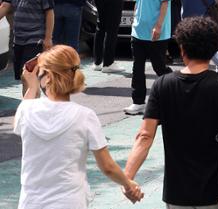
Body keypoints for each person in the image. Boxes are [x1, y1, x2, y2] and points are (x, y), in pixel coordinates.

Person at [123, 17, 218, 208]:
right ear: (213, 50)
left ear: (182, 49)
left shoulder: (163, 85)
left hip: (177, 196)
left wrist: (127, 178)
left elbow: (144, 136)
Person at [14, 45, 143, 208]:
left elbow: (20, 120)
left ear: (47, 77)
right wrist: (128, 184)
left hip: (31, 203)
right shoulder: (85, 116)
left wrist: (32, 87)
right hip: (70, 201)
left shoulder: (26, 110)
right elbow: (108, 167)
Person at [125, 0, 172, 116]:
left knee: (159, 67)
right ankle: (138, 102)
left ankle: (172, 93)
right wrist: (134, 20)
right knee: (137, 68)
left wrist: (158, 26)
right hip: (138, 31)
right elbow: (137, 1)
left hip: (156, 33)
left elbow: (165, 3)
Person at [0, 0, 54, 84]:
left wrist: (48, 38)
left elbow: (49, 12)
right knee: (25, 79)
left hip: (35, 40)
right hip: (18, 40)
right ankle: (35, 103)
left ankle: (30, 104)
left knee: (29, 78)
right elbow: (5, 6)